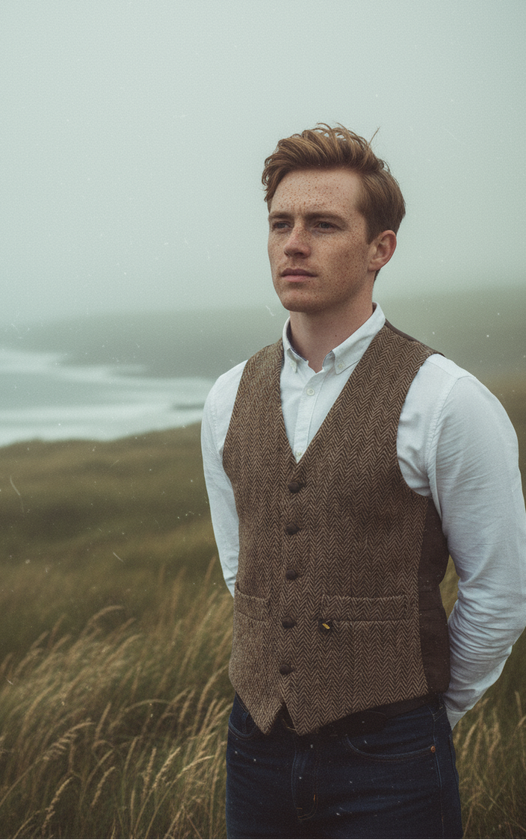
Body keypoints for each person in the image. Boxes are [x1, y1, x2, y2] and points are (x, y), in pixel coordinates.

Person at [201, 124, 526, 840]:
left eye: (323, 224)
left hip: (393, 760)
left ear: (381, 248)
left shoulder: (447, 400)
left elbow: (499, 593)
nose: (294, 243)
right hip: (254, 746)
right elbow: (244, 569)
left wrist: (423, 714)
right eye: (281, 223)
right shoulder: (227, 396)